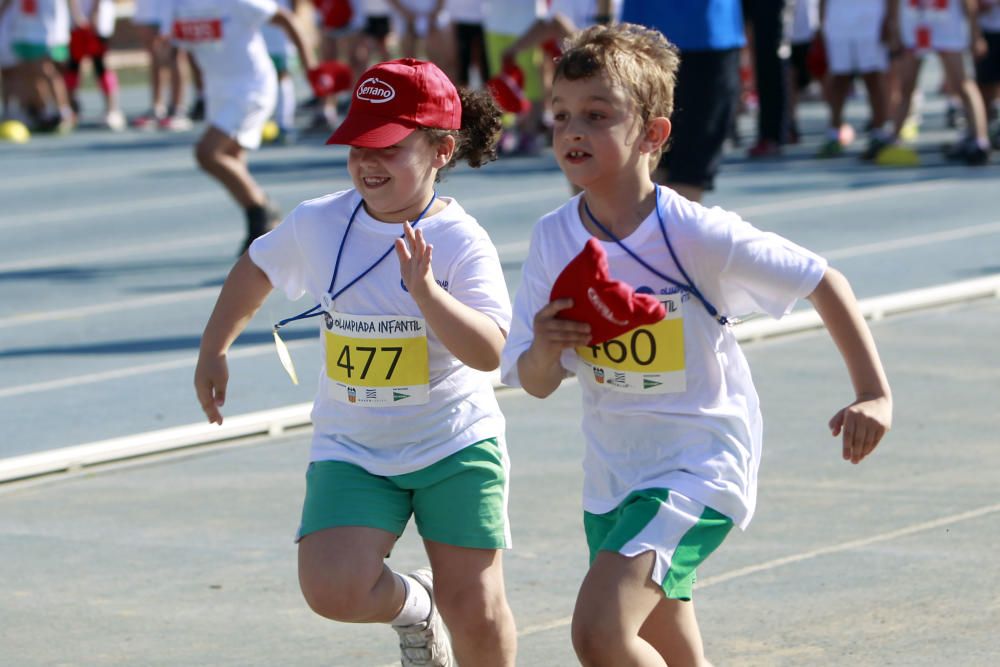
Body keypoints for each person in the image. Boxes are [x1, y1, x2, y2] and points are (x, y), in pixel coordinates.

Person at [500, 23, 893, 666]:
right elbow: (537, 380)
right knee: (672, 652)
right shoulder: (553, 239)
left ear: (653, 135)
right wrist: (545, 345)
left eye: (598, 115)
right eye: (561, 115)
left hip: (700, 462)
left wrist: (873, 394)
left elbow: (824, 280)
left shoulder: (697, 233)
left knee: (599, 634)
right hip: (614, 475)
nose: (573, 130)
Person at [194, 58, 517, 667]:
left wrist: (428, 295)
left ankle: (450, 609)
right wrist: (214, 347)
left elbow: (490, 350)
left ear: (442, 149)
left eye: (388, 147)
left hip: (454, 445)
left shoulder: (460, 241)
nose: (368, 161)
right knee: (333, 590)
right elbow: (257, 269)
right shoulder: (319, 221)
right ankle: (417, 607)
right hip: (354, 446)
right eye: (356, 144)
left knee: (475, 604)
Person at [157, 0, 317, 254]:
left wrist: (311, 67)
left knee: (207, 154)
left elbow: (286, 18)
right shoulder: (175, 5)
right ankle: (260, 229)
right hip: (217, 92)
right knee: (232, 160)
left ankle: (263, 210)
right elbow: (176, 49)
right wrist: (166, 54)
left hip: (251, 87)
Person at [615, 0, 745, 203]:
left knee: (647, 159)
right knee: (679, 165)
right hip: (702, 33)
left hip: (652, 33)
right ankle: (660, 232)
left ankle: (653, 231)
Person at [877, 0, 991, 166]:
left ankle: (979, 139)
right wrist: (895, 30)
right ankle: (894, 136)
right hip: (915, 25)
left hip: (946, 26)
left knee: (963, 84)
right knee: (906, 86)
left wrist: (975, 34)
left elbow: (968, 3)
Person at [815, 0, 898, 159]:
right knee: (838, 77)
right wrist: (821, 20)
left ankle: (879, 133)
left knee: (873, 76)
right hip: (837, 19)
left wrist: (891, 19)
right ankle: (834, 132)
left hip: (871, 18)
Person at [0, 0, 74, 132]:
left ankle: (63, 111)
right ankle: (42, 112)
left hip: (49, 31)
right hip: (23, 30)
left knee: (47, 70)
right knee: (29, 73)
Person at [64, 0, 125, 130]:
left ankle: (112, 110)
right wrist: (76, 15)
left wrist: (94, 14)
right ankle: (71, 110)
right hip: (76, 21)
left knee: (100, 64)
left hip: (99, 22)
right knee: (73, 65)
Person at [131, 0, 190, 130]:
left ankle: (178, 109)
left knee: (175, 53)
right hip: (148, 8)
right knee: (155, 54)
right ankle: (157, 107)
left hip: (173, 7)